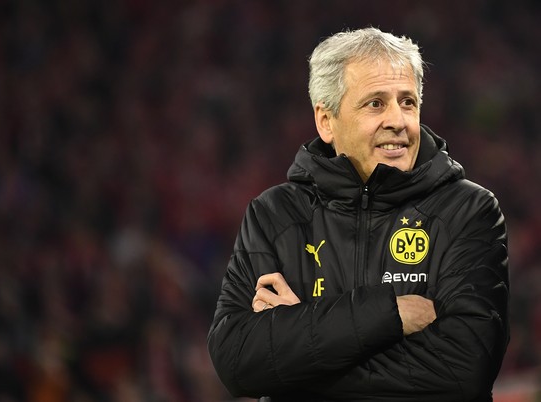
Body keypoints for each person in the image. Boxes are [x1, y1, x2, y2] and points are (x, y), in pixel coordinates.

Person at [207, 27, 509, 402]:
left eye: (408, 102)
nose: (398, 121)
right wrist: (391, 315)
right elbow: (235, 363)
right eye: (376, 104)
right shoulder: (274, 215)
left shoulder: (469, 211)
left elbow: (463, 371)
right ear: (326, 121)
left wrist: (299, 341)